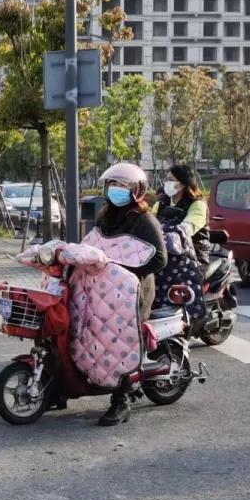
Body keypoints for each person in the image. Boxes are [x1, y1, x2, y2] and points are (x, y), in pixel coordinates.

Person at [94, 162, 167, 427]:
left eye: (122, 186)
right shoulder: (105, 216)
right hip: (102, 291)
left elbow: (159, 258)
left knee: (122, 341)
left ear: (136, 191)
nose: (116, 190)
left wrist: (128, 273)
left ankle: (121, 400)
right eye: (112, 185)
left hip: (133, 292)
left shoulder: (144, 220)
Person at [152, 165, 210, 268]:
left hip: (193, 257)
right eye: (166, 179)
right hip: (164, 254)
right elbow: (150, 223)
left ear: (182, 184)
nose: (166, 183)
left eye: (171, 180)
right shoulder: (161, 203)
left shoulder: (197, 205)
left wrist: (171, 232)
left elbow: (187, 229)